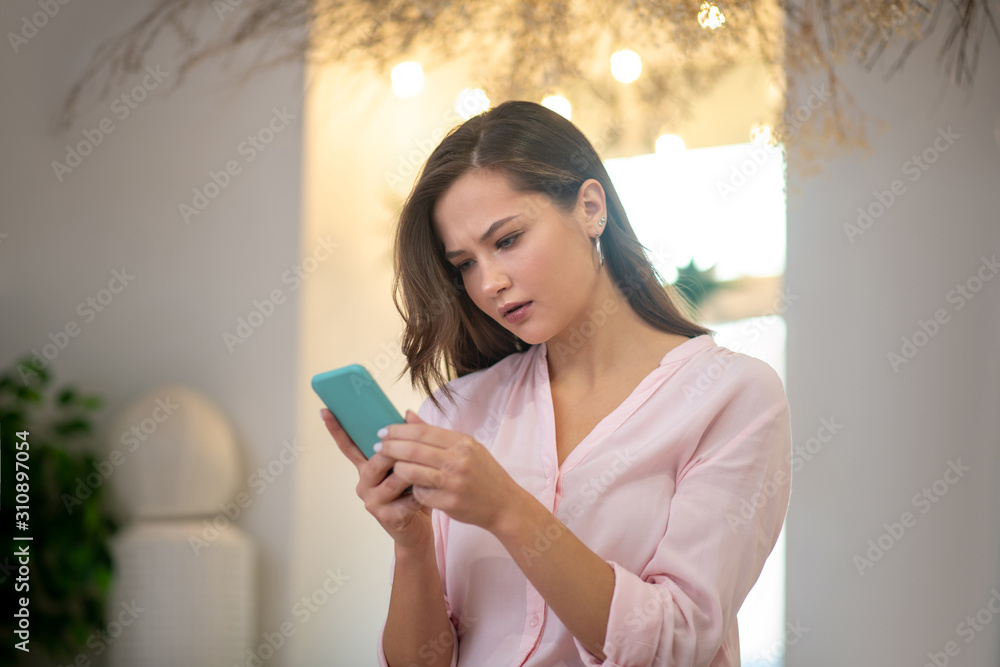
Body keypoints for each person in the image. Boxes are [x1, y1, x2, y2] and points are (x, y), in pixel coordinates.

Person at [320, 100, 792, 667]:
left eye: (508, 240)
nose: (490, 282)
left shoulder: (733, 397)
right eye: (464, 263)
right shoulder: (460, 411)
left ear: (591, 207)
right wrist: (412, 542)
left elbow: (677, 643)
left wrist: (508, 510)